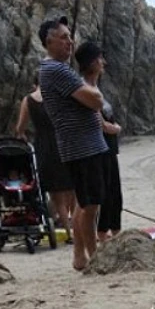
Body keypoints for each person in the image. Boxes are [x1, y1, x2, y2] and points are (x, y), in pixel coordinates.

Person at [38, 16, 107, 270]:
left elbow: (91, 97)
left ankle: (80, 255)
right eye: (64, 37)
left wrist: (93, 94)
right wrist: (95, 94)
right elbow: (94, 100)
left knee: (82, 203)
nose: (70, 42)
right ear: (49, 41)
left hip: (80, 145)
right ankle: (93, 255)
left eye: (70, 36)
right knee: (90, 206)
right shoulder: (56, 70)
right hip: (82, 146)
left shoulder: (58, 70)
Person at [14, 73, 76, 243]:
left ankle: (69, 234)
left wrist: (22, 137)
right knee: (72, 189)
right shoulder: (59, 97)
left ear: (35, 85)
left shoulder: (28, 100)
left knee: (57, 195)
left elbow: (20, 128)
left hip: (44, 147)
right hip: (64, 143)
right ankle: (78, 229)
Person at [73, 41, 122, 241]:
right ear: (91, 62)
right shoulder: (84, 89)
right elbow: (102, 124)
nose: (104, 62)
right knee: (101, 195)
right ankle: (102, 235)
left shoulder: (95, 88)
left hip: (109, 148)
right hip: (97, 148)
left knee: (113, 192)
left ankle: (113, 231)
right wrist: (115, 128)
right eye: (100, 58)